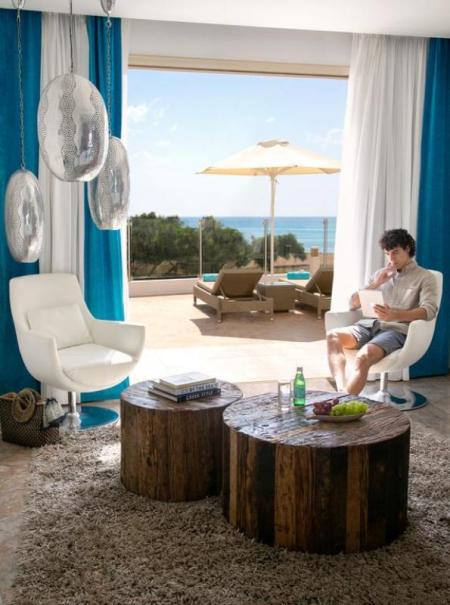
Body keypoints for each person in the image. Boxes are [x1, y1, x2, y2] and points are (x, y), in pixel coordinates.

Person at [327, 229, 438, 395]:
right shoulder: (380, 274)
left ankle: (342, 402)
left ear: (407, 249)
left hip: (396, 330)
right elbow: (352, 304)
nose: (391, 259)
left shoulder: (425, 277)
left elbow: (429, 311)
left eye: (395, 252)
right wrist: (376, 283)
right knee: (333, 336)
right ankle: (341, 393)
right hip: (369, 325)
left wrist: (395, 315)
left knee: (363, 356)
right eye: (387, 253)